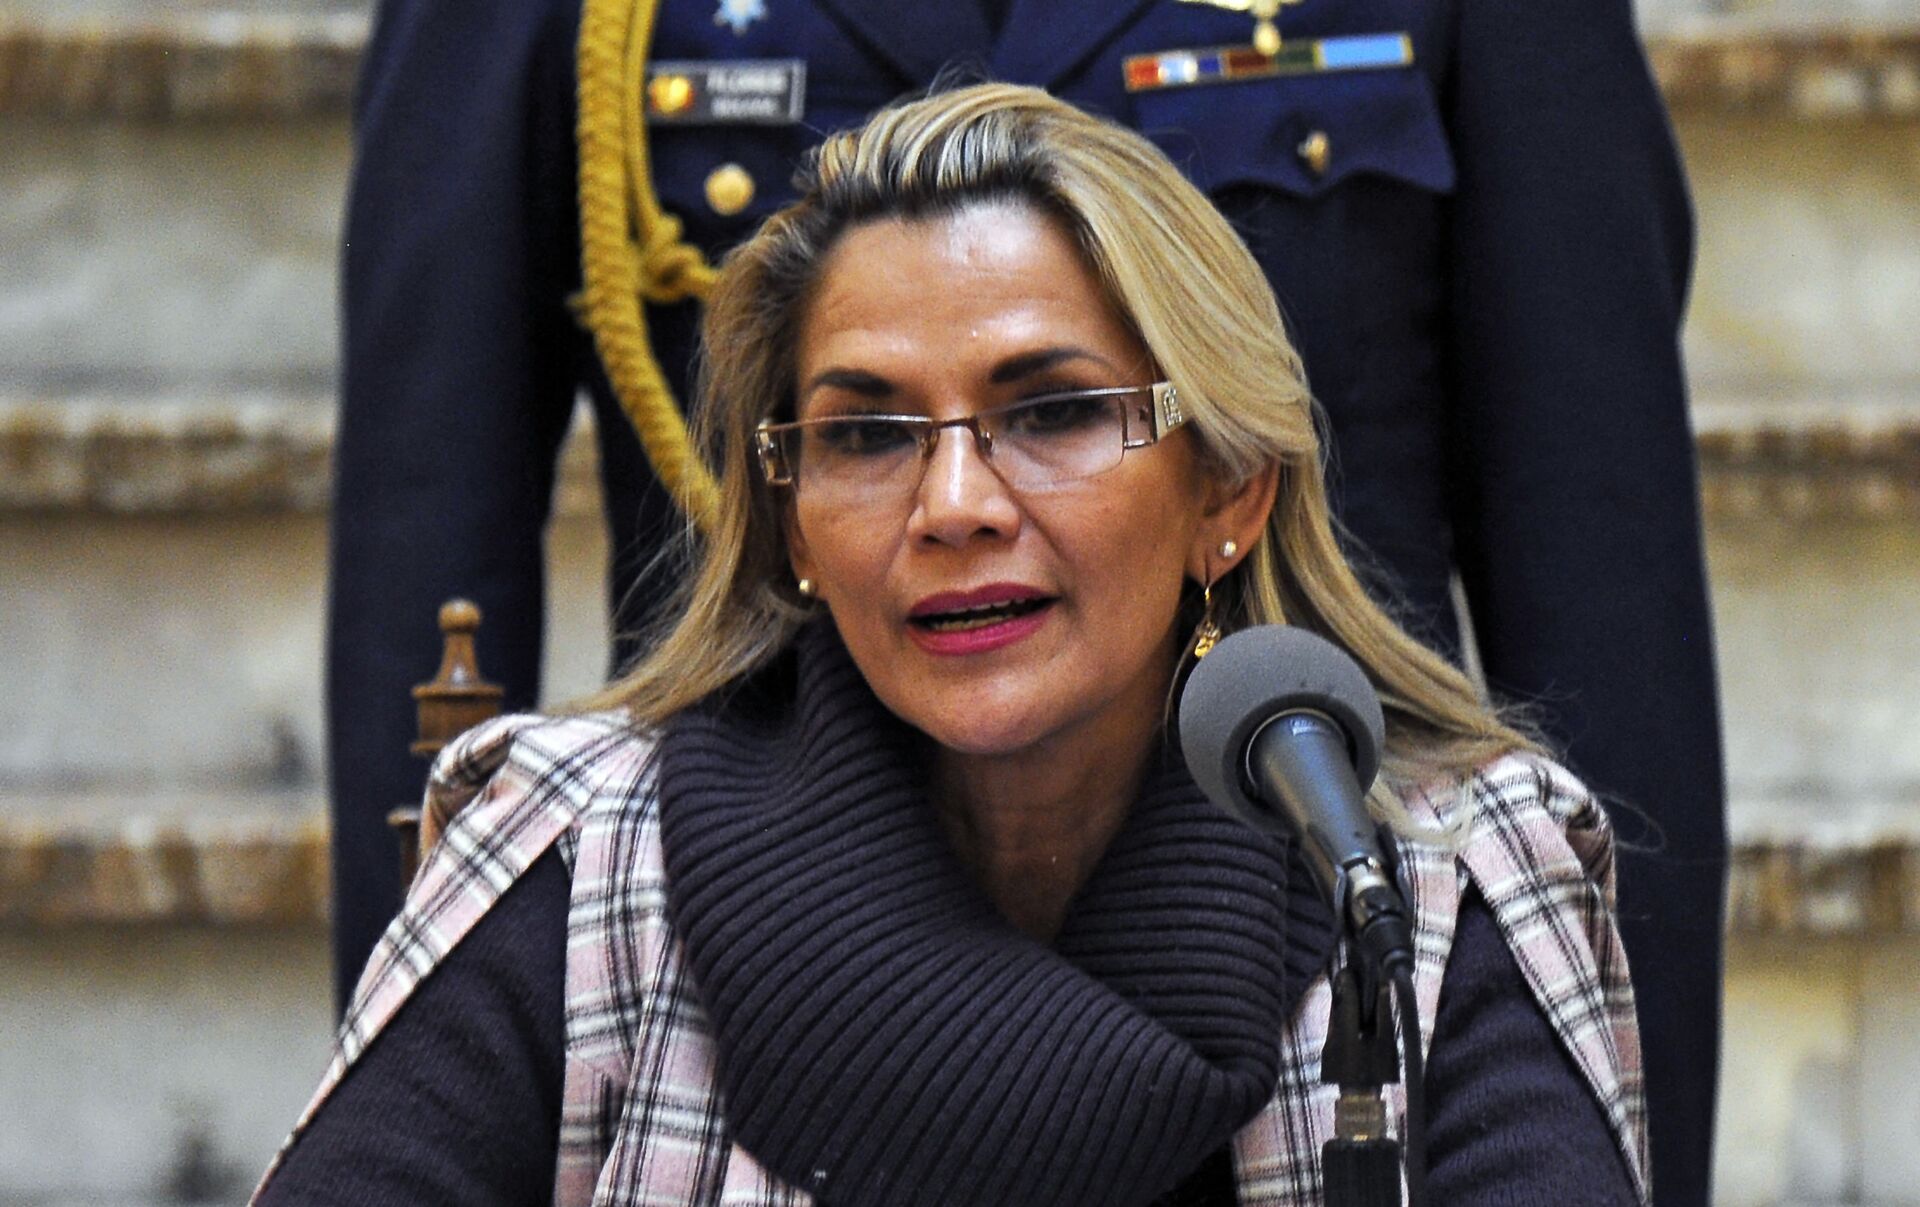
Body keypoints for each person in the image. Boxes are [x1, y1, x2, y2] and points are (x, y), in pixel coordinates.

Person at [330, 0, 1722, 1199]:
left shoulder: (1449, 902)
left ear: (1232, 487)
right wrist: (453, 954)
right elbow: (427, 498)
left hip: (1301, 876)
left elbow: (1599, 555)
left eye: (1058, 411)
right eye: (864, 433)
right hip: (735, 914)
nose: (957, 505)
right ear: (788, 496)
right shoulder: (582, 891)